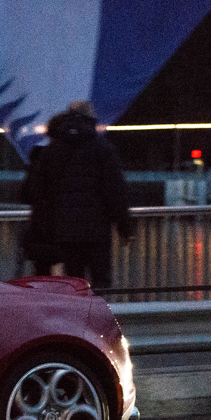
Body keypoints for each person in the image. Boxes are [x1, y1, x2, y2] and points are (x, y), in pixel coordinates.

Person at [20, 100, 132, 289]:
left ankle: (78, 316)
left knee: (74, 282)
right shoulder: (103, 149)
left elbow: (39, 193)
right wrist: (125, 227)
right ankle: (99, 315)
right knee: (100, 281)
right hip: (97, 230)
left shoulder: (51, 151)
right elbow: (115, 192)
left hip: (65, 231)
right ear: (91, 119)